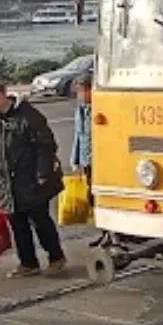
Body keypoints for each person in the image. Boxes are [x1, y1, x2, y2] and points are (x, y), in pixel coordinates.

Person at [0, 78, 67, 278]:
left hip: (31, 181)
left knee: (40, 221)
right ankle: (28, 263)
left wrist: (42, 174)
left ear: (0, 96)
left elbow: (46, 146)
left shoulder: (28, 116)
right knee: (18, 225)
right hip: (4, 183)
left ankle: (56, 257)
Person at [71, 75, 108, 248]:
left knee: (102, 198)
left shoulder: (101, 109)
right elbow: (79, 136)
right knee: (92, 198)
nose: (81, 96)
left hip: (102, 161)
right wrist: (76, 161)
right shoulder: (80, 110)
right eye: (79, 92)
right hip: (87, 161)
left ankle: (110, 233)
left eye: (83, 91)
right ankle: (104, 232)